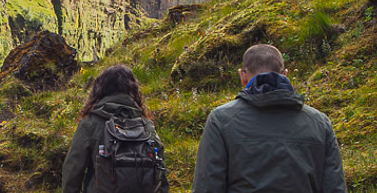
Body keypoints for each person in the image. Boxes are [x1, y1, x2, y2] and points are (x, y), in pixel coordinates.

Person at [191, 44, 347, 193]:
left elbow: (207, 187)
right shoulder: (320, 123)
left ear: (242, 76)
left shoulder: (221, 120)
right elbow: (335, 188)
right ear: (285, 74)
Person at [62, 64, 168, 193]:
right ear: (133, 90)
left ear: (100, 89)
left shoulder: (90, 123)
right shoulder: (146, 125)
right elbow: (160, 170)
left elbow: (73, 169)